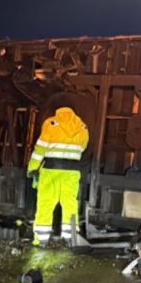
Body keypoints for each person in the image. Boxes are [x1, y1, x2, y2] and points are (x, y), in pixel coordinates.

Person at [26, 104, 90, 246]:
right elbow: (83, 147)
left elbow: (40, 150)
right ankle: (70, 239)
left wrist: (32, 168)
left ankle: (41, 240)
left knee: (46, 203)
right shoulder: (82, 127)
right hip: (73, 171)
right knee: (70, 203)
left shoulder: (51, 123)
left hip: (51, 169)